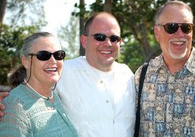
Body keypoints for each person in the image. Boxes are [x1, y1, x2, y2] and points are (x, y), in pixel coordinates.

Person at [0, 12, 136, 137]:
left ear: (120, 42)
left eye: (114, 38)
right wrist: (7, 105)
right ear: (84, 41)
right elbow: (26, 96)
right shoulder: (62, 73)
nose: (107, 43)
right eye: (99, 37)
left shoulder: (129, 76)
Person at [134, 0, 195, 136]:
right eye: (171, 27)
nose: (180, 34)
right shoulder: (143, 75)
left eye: (186, 28)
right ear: (157, 32)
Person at [0, 32, 78, 137]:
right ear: (26, 61)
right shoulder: (16, 108)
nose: (53, 61)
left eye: (58, 55)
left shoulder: (54, 97)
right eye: (43, 55)